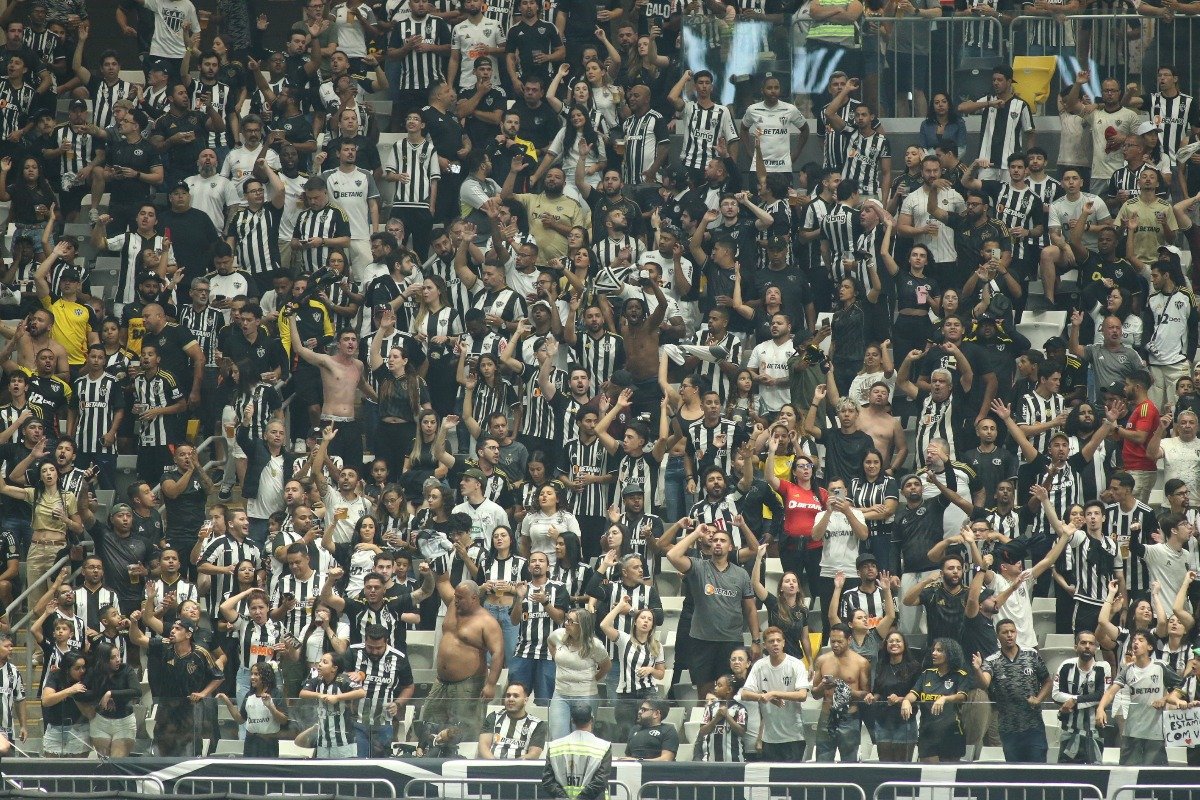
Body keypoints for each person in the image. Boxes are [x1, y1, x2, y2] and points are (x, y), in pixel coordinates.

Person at [1096, 629, 1187, 765]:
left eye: (1140, 640)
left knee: (1154, 778)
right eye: (1134, 640)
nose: (1136, 643)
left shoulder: (1160, 666)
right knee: (1128, 774)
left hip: (1155, 733)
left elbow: (1181, 686)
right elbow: (1110, 692)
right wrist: (1101, 708)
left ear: (1150, 647)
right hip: (1132, 731)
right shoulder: (1127, 670)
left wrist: (1165, 698)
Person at [973, 618, 1052, 763]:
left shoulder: (1031, 655)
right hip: (1008, 728)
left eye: (1012, 631)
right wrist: (978, 670)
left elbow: (1047, 681)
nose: (1009, 635)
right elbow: (984, 683)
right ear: (998, 636)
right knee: (1015, 773)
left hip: (1033, 726)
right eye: (1005, 632)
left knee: (1038, 771)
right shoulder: (992, 660)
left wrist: (1039, 699)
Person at [739, 626, 809, 761]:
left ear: (784, 643)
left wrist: (774, 694)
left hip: (793, 736)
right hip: (769, 738)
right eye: (771, 641)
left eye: (778, 640)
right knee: (773, 781)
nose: (775, 643)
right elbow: (745, 693)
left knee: (792, 780)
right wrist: (764, 697)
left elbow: (802, 695)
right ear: (765, 645)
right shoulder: (759, 666)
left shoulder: (796, 664)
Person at [901, 637, 970, 763]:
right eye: (934, 650)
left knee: (948, 777)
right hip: (928, 732)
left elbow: (962, 696)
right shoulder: (927, 674)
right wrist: (906, 701)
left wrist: (945, 698)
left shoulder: (960, 674)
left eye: (939, 650)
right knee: (929, 775)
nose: (934, 653)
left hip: (951, 732)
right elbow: (913, 694)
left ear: (950, 654)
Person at [810, 622, 871, 762]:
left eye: (839, 641)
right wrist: (822, 687)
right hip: (826, 715)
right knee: (822, 761)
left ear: (849, 640)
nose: (835, 645)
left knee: (849, 762)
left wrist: (842, 688)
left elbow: (866, 695)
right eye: (832, 641)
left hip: (849, 716)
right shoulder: (822, 660)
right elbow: (814, 693)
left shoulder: (861, 663)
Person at [1052, 630, 1108, 764]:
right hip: (1069, 731)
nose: (1087, 646)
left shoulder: (1103, 667)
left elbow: (1102, 695)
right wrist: (1082, 700)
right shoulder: (1066, 666)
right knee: (1066, 777)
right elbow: (1055, 694)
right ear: (1075, 647)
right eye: (1083, 643)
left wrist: (1075, 700)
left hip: (1094, 732)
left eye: (1091, 643)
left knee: (1095, 776)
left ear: (1096, 648)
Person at [541, 704, 611, 800]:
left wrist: (564, 797)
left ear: (572, 721)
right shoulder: (603, 746)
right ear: (592, 719)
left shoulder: (554, 746)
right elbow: (600, 781)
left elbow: (547, 781)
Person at [478, 681, 546, 759]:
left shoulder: (537, 724)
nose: (510, 699)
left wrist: (512, 767)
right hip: (492, 767)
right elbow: (483, 747)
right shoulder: (494, 717)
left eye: (516, 696)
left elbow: (534, 754)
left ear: (525, 700)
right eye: (508, 695)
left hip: (520, 769)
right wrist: (496, 765)